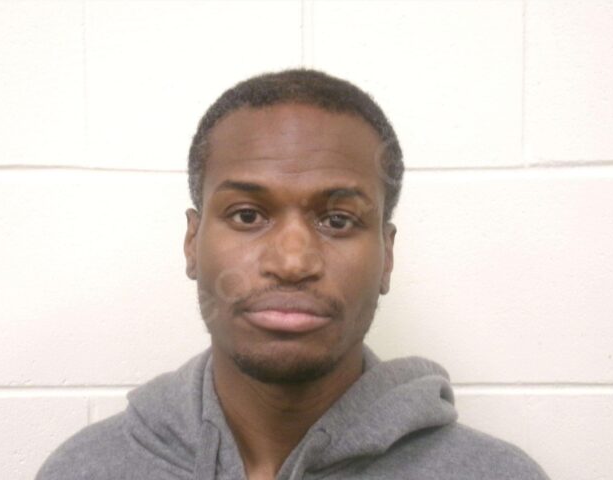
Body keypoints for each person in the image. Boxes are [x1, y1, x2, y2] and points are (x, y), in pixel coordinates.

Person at [37, 69, 549, 480]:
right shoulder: (84, 469)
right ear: (192, 243)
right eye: (247, 215)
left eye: (338, 220)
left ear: (387, 256)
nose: (292, 263)